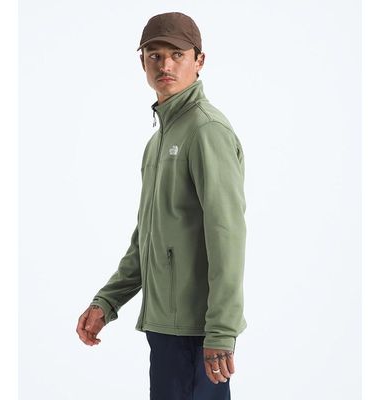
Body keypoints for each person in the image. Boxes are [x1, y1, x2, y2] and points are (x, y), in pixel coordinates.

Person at [76, 11, 247, 400]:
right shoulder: (159, 141)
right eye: (155, 55)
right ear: (143, 62)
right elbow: (149, 236)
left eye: (177, 55)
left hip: (198, 330)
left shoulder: (206, 131)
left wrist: (222, 329)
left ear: (199, 60)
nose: (165, 65)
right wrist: (108, 301)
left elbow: (227, 235)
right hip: (165, 325)